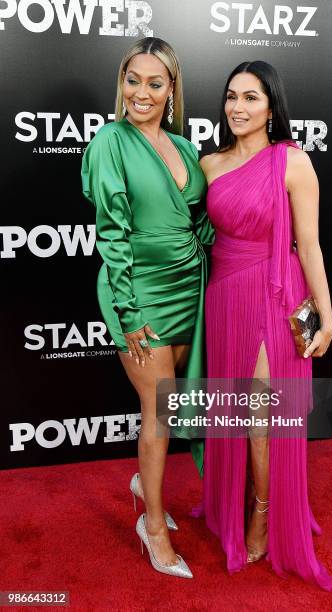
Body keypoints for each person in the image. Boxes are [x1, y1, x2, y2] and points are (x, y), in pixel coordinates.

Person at [198, 61, 332, 591]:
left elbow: (311, 245)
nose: (238, 107)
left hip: (277, 295)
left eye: (251, 98)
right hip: (225, 295)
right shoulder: (208, 164)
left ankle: (262, 511)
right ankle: (232, 502)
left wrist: (326, 312)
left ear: (271, 106)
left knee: (263, 412)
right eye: (232, 96)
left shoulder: (293, 163)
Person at [81, 37, 213, 579]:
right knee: (158, 412)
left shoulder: (183, 148)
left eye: (154, 83)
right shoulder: (110, 140)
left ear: (171, 90)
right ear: (122, 85)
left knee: (177, 405)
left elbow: (200, 218)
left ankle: (144, 483)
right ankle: (152, 526)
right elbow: (112, 231)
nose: (142, 92)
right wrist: (129, 311)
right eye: (132, 81)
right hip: (141, 292)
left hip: (191, 288)